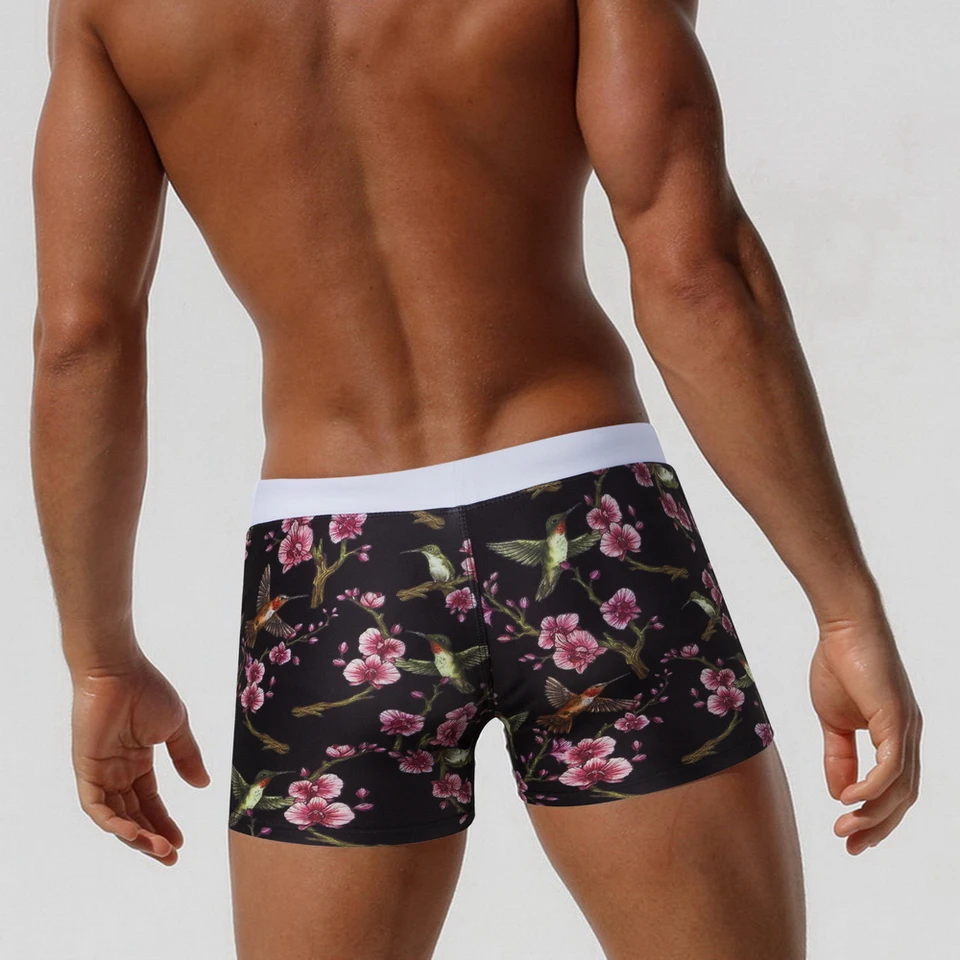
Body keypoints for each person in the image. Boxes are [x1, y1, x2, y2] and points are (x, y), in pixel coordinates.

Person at [30, 0, 922, 957]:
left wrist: (102, 661)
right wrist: (843, 607)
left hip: (337, 574)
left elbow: (81, 339)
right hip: (588, 531)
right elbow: (696, 271)